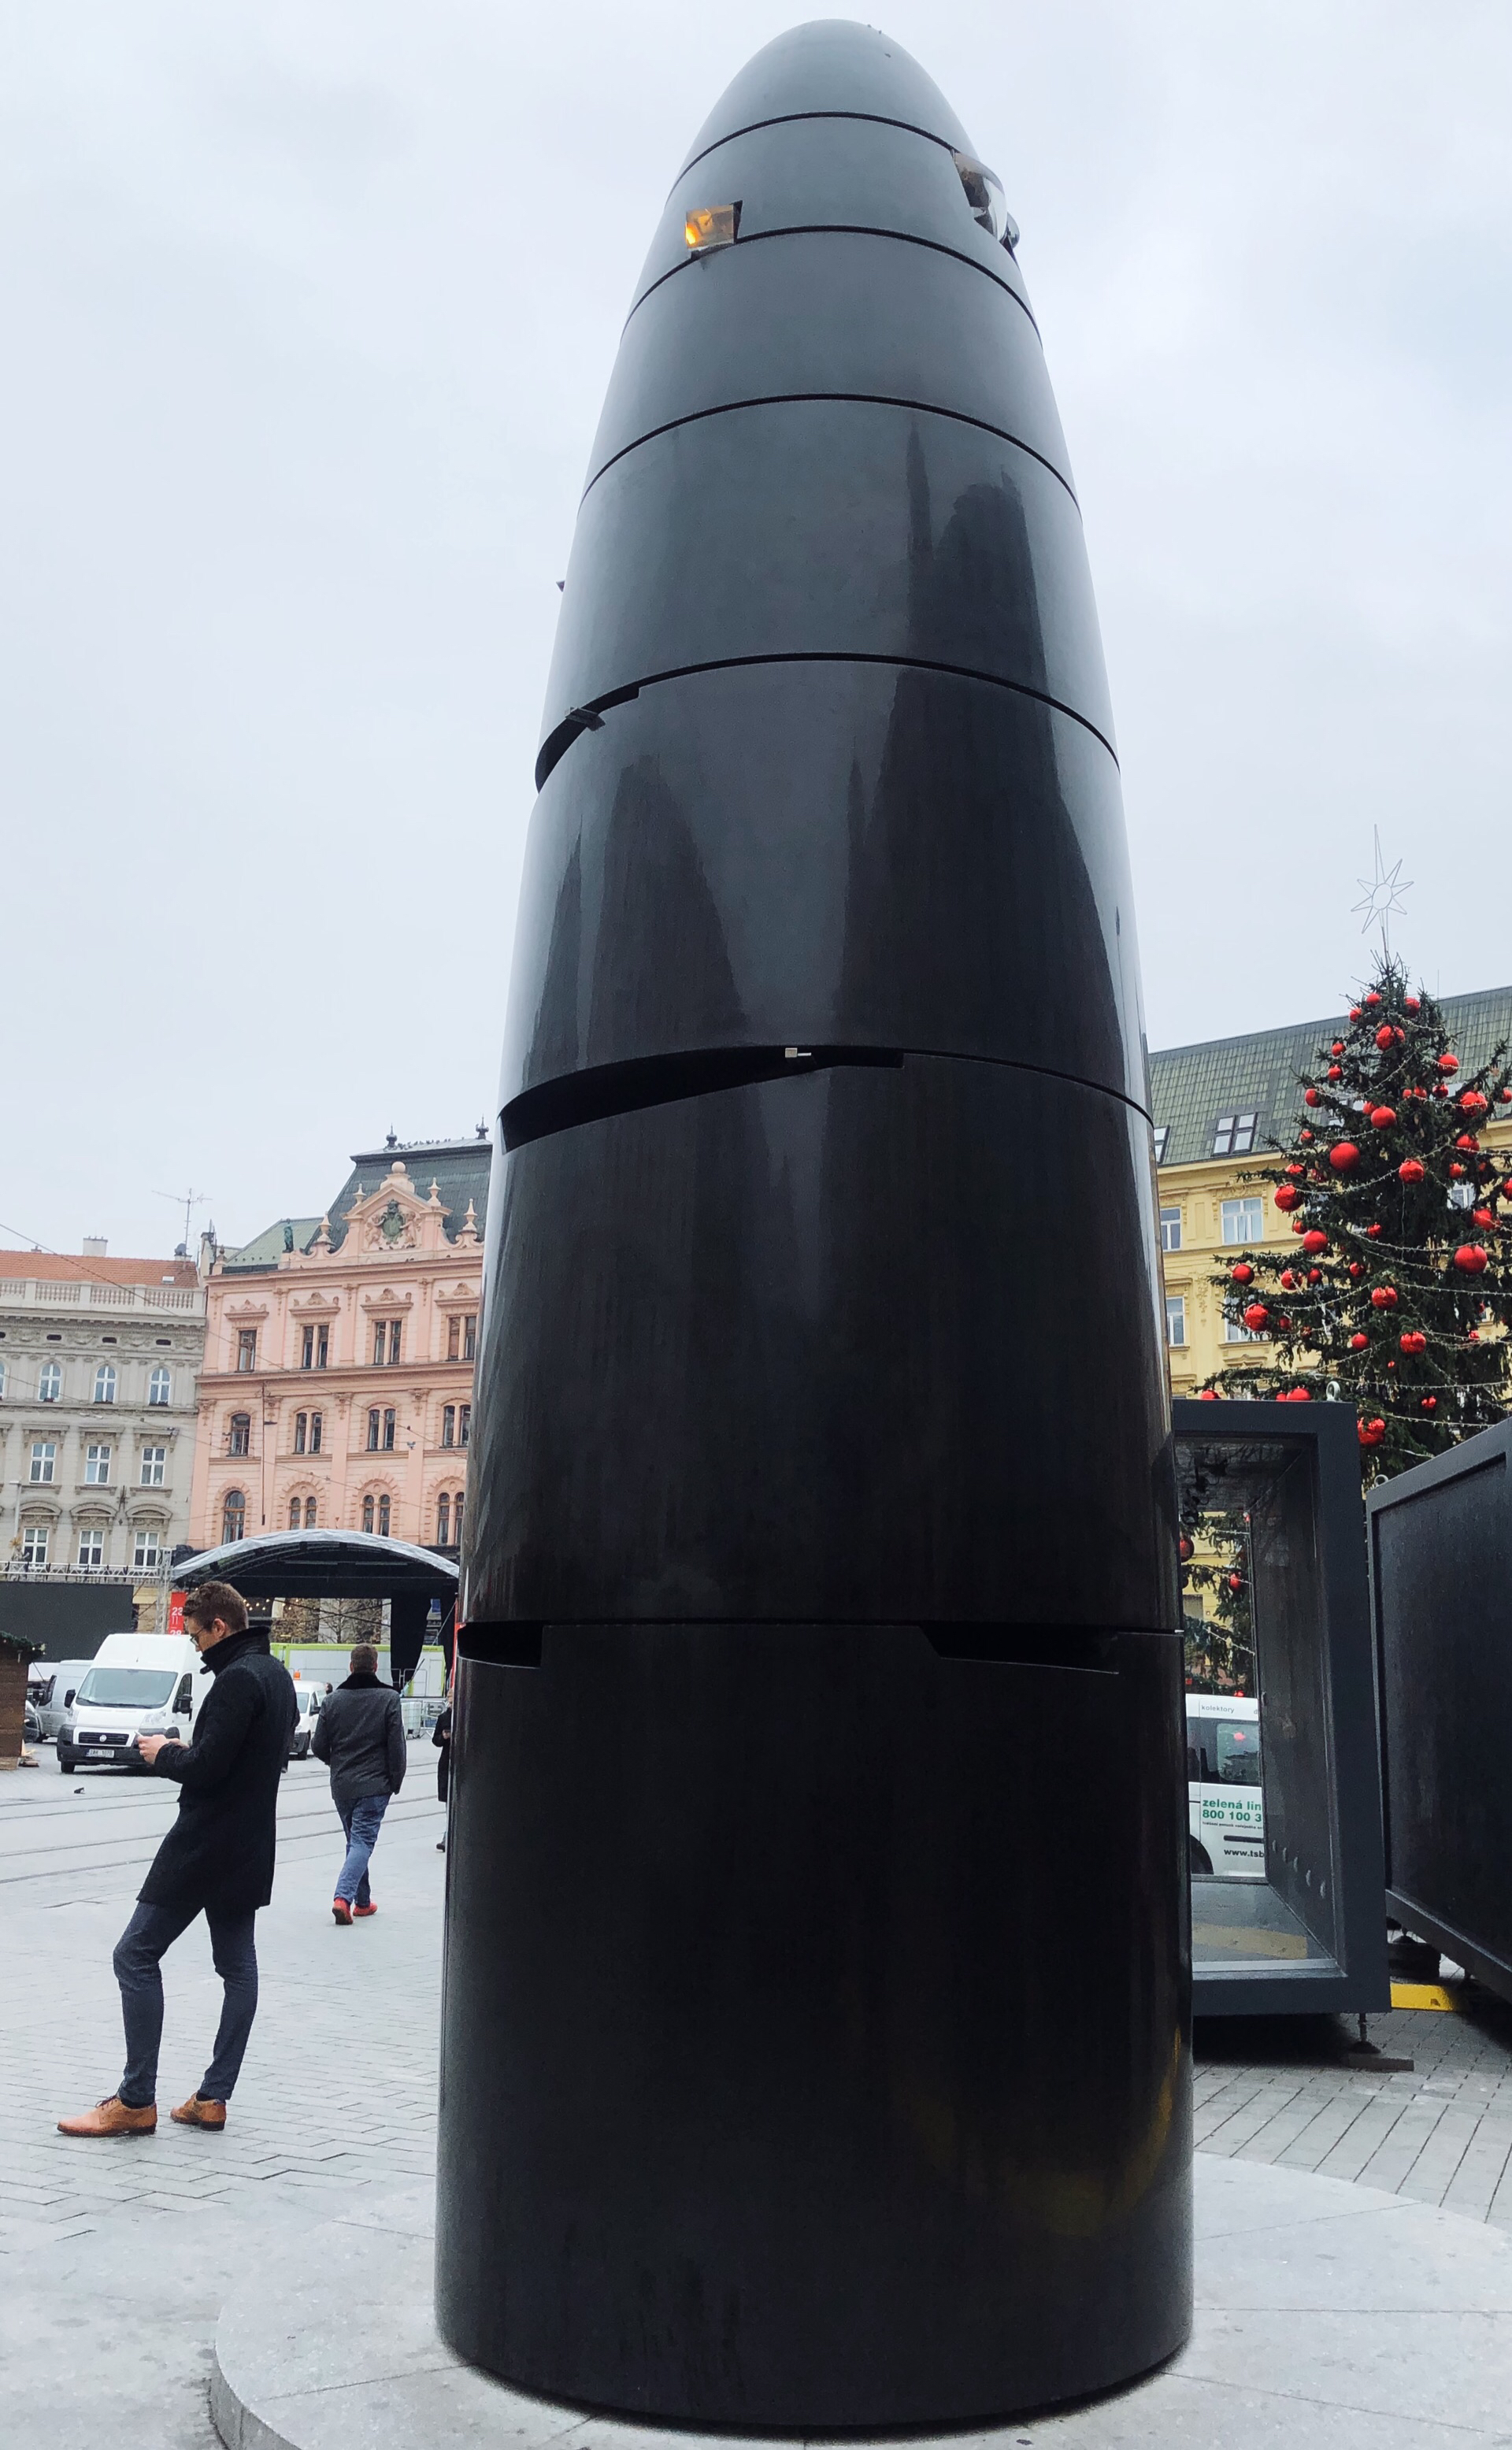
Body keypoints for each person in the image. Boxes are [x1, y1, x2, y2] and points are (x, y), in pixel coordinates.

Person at [57, 1581, 297, 2138]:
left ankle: (136, 2099)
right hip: (250, 1843)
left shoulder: (237, 1679)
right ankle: (213, 2097)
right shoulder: (275, 1674)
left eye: (195, 1635)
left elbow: (210, 1767)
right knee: (237, 1968)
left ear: (218, 1625)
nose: (195, 1648)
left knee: (133, 1954)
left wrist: (163, 1752)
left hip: (204, 1845)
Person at [313, 1642, 406, 1923]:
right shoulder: (389, 1699)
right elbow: (397, 1748)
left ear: (351, 1667)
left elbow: (318, 1746)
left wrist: (337, 1764)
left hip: (342, 1786)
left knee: (356, 1842)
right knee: (363, 1841)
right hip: (375, 1786)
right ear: (376, 1667)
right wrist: (395, 1780)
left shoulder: (333, 1701)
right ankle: (342, 1897)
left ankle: (363, 1902)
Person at [432, 1699, 452, 1851]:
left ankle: (448, 1838)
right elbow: (436, 1740)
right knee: (448, 1804)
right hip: (447, 1762)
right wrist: (443, 1737)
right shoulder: (444, 1717)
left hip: (462, 1761)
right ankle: (447, 1838)